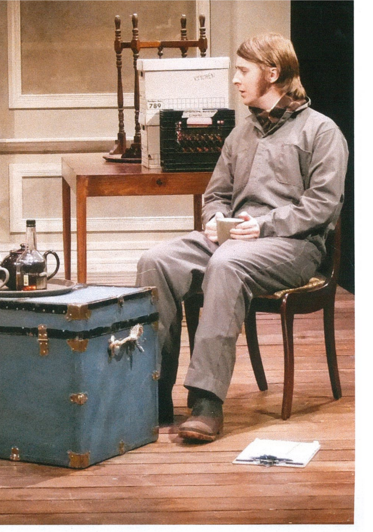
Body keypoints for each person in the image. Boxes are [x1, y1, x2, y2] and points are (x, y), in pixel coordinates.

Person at [136, 33, 348, 442]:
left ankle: (206, 401)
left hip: (294, 247)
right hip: (235, 239)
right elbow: (216, 194)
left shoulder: (322, 132)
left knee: (227, 264)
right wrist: (216, 219)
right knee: (156, 260)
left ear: (273, 73)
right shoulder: (241, 134)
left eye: (243, 70)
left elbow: (323, 205)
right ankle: (151, 395)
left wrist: (263, 226)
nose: (235, 79)